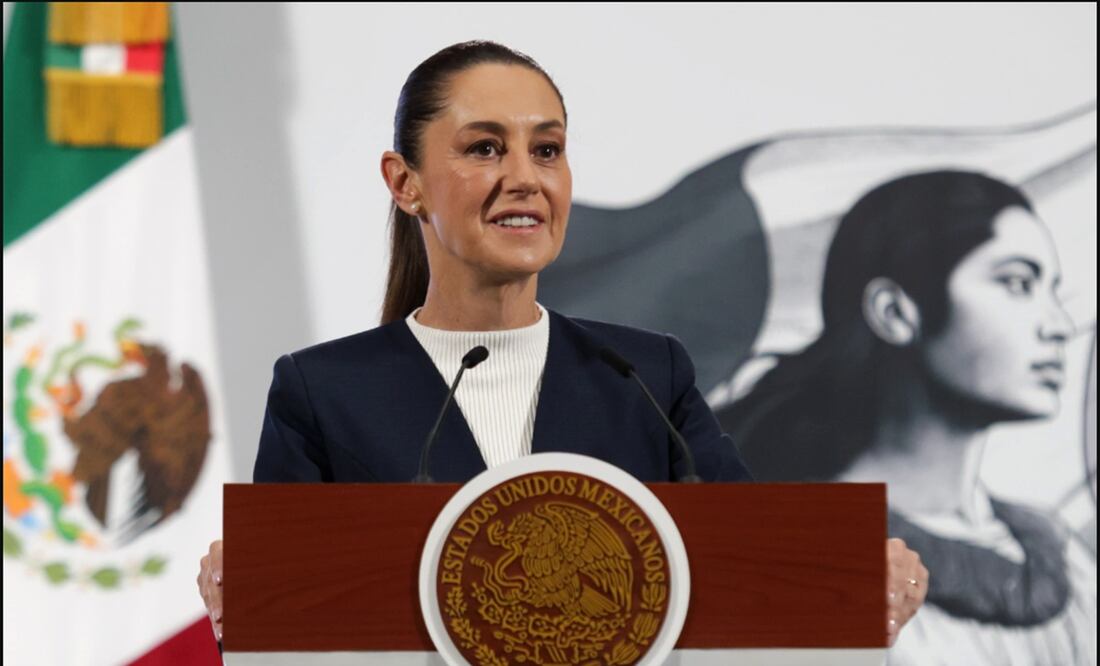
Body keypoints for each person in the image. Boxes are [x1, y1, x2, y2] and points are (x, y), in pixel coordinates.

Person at [196, 40, 927, 649]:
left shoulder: (646, 376)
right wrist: (248, 589)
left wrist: (855, 577)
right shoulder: (321, 392)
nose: (524, 178)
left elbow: (757, 570)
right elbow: (290, 625)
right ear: (405, 183)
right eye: (485, 148)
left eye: (547, 150)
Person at [720, 170, 1096, 664]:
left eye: (1051, 290)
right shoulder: (795, 558)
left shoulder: (1064, 556)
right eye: (1017, 283)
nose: (1059, 326)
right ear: (895, 312)